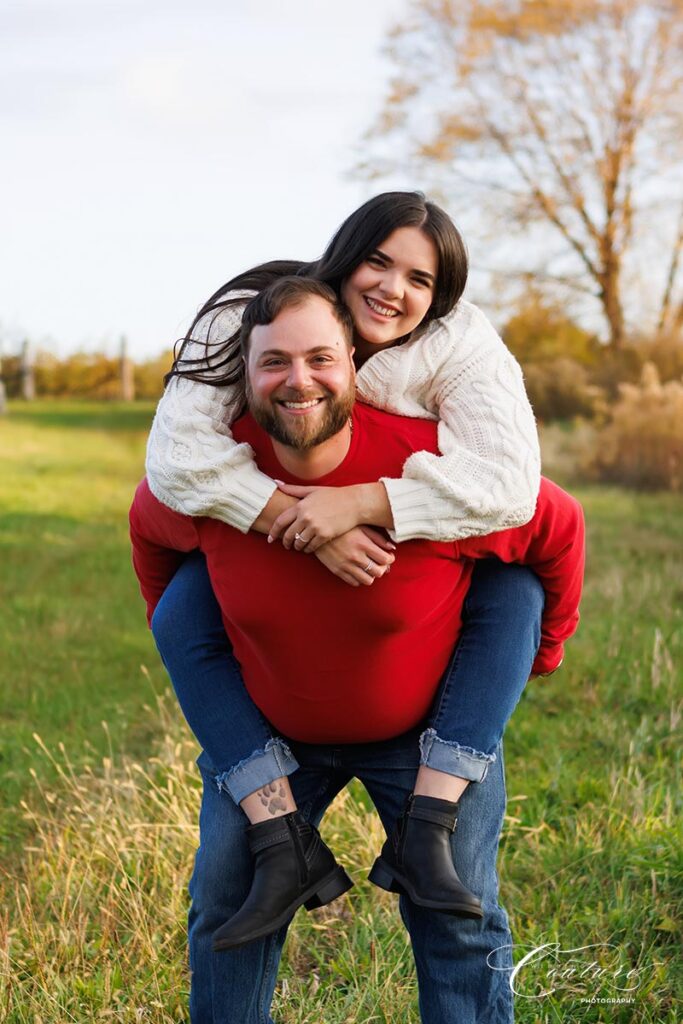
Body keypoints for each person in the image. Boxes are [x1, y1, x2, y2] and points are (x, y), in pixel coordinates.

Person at [130, 278, 585, 1023]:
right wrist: (202, 642)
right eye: (273, 362)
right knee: (226, 906)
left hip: (423, 735)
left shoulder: (435, 471)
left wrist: (546, 650)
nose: (298, 380)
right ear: (243, 377)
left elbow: (554, 534)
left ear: (355, 364)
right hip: (270, 739)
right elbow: (151, 542)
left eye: (320, 358)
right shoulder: (214, 479)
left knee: (459, 913)